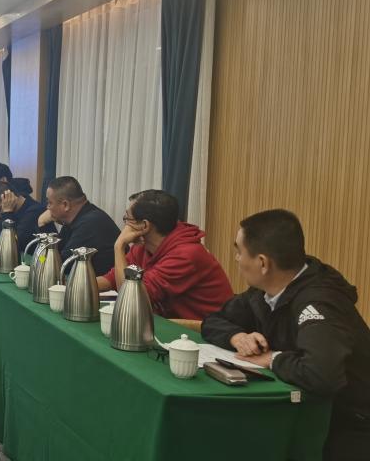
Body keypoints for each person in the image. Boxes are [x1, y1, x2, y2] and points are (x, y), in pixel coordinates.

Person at [202, 210, 370, 459]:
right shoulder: (263, 292)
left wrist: (273, 359)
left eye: (239, 251)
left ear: (262, 263)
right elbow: (213, 321)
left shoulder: (319, 302)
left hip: (350, 425)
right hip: (302, 412)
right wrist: (237, 337)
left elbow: (321, 375)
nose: (236, 258)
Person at [96, 190, 232, 320]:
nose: (125, 225)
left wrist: (119, 246)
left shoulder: (186, 255)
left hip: (202, 330)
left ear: (144, 226)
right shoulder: (143, 246)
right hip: (171, 323)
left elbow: (131, 297)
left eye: (127, 219)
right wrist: (84, 287)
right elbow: (112, 279)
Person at [41, 176, 119, 274]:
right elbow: (54, 253)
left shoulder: (90, 223)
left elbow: (59, 265)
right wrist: (42, 259)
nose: (48, 208)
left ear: (65, 205)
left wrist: (41, 223)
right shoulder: (72, 219)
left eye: (50, 203)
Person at [0, 182, 53, 252]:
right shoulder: (17, 209)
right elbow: (15, 231)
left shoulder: (34, 211)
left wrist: (7, 212)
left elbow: (12, 243)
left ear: (10, 199)